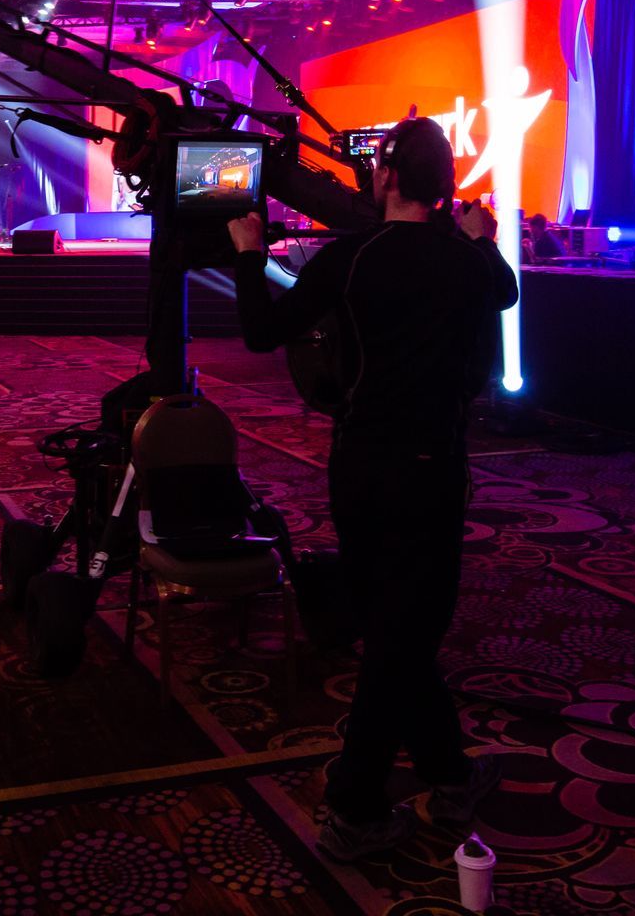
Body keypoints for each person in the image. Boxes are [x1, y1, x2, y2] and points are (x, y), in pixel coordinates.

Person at [227, 117, 518, 861]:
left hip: (357, 466)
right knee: (407, 628)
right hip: (431, 468)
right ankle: (361, 801)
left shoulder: (349, 260)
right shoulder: (468, 261)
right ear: (444, 187)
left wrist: (249, 256)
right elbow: (506, 289)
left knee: (396, 627)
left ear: (384, 177)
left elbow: (262, 333)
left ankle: (442, 773)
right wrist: (479, 234)